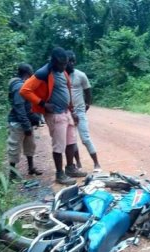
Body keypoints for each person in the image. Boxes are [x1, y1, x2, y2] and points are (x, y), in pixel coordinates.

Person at [20, 47, 87, 185]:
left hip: (66, 112)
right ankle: (59, 174)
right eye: (61, 64)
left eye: (65, 63)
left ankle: (70, 168)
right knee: (59, 145)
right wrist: (42, 103)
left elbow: (67, 91)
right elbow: (25, 90)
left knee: (71, 142)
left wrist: (72, 111)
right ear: (54, 62)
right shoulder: (43, 73)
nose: (64, 66)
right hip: (55, 114)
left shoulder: (63, 72)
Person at [65, 50, 102, 172]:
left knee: (85, 138)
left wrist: (87, 104)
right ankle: (78, 164)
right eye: (67, 61)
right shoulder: (61, 76)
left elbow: (88, 91)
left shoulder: (80, 75)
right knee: (71, 140)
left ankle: (96, 164)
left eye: (71, 61)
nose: (70, 64)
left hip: (79, 111)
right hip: (66, 112)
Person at [7, 63, 42, 181]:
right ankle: (12, 174)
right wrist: (26, 126)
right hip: (18, 122)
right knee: (14, 147)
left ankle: (31, 168)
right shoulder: (19, 87)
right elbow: (19, 108)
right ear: (27, 74)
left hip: (26, 121)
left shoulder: (21, 85)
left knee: (30, 145)